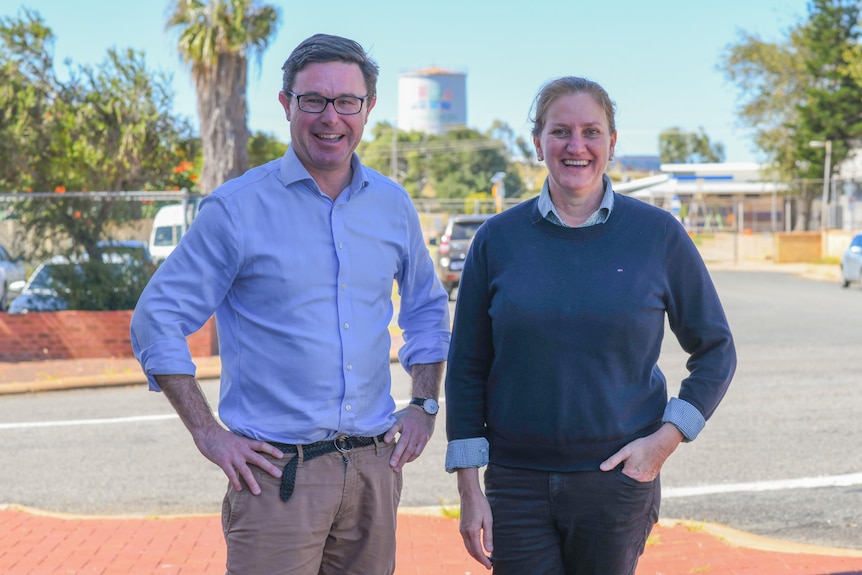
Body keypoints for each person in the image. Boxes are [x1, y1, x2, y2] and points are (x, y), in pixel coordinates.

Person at [131, 33, 450, 575]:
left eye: (347, 100)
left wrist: (424, 404)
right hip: (278, 477)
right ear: (286, 104)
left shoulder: (393, 206)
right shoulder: (236, 209)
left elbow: (425, 309)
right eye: (314, 100)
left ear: (368, 107)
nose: (331, 117)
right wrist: (208, 433)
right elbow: (156, 319)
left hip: (375, 470)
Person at [444, 76, 737, 575]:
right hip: (515, 485)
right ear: (538, 143)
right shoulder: (496, 240)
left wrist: (665, 441)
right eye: (560, 131)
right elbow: (467, 367)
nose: (575, 146)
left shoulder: (658, 235)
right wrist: (469, 488)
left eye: (591, 132)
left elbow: (716, 350)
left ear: (612, 143)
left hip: (618, 481)